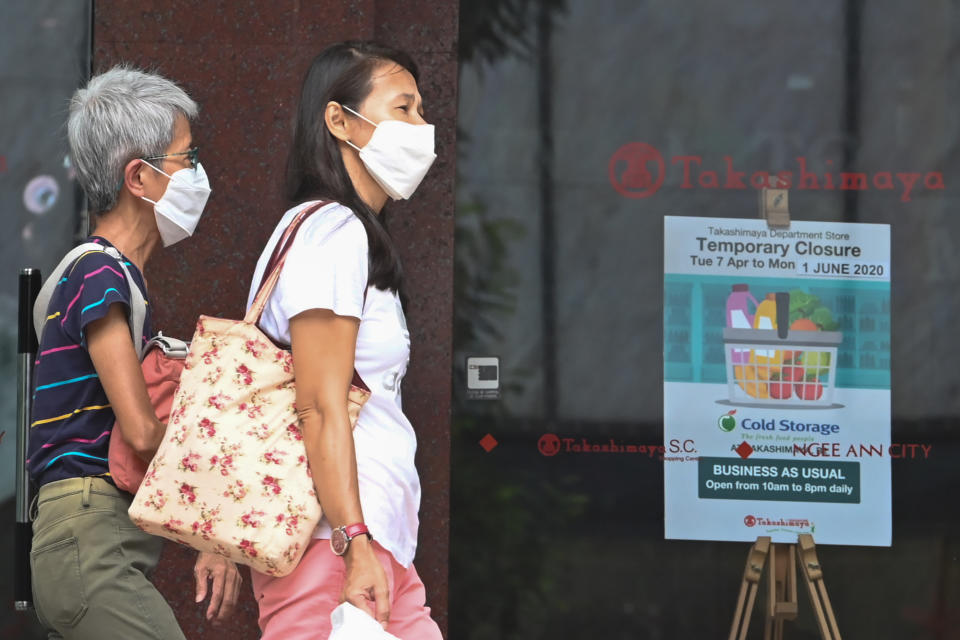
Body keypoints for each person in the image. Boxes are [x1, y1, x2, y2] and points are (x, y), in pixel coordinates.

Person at [27, 66, 241, 639]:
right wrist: (210, 526)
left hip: (89, 544)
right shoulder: (100, 275)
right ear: (139, 178)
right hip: (91, 543)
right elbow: (143, 433)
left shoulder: (108, 278)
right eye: (186, 159)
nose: (199, 175)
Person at [245, 41, 443, 639]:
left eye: (421, 110)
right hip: (332, 544)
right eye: (403, 108)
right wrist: (353, 541)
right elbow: (321, 403)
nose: (422, 127)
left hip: (369, 538)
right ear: (339, 120)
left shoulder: (346, 235)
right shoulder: (332, 232)